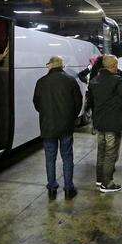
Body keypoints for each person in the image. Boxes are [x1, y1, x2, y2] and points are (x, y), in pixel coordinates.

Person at [33, 56, 83, 200]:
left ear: (50, 66)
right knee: (67, 157)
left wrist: (46, 114)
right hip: (66, 126)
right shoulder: (70, 81)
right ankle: (68, 188)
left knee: (50, 157)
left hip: (47, 126)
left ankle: (52, 187)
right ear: (62, 65)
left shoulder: (41, 82)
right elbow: (78, 102)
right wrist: (72, 117)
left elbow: (36, 103)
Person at [89, 55, 122, 193]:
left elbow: (91, 100)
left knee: (101, 152)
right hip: (112, 122)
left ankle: (99, 180)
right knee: (110, 153)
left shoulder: (94, 80)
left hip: (99, 122)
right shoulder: (116, 80)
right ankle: (107, 183)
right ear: (114, 66)